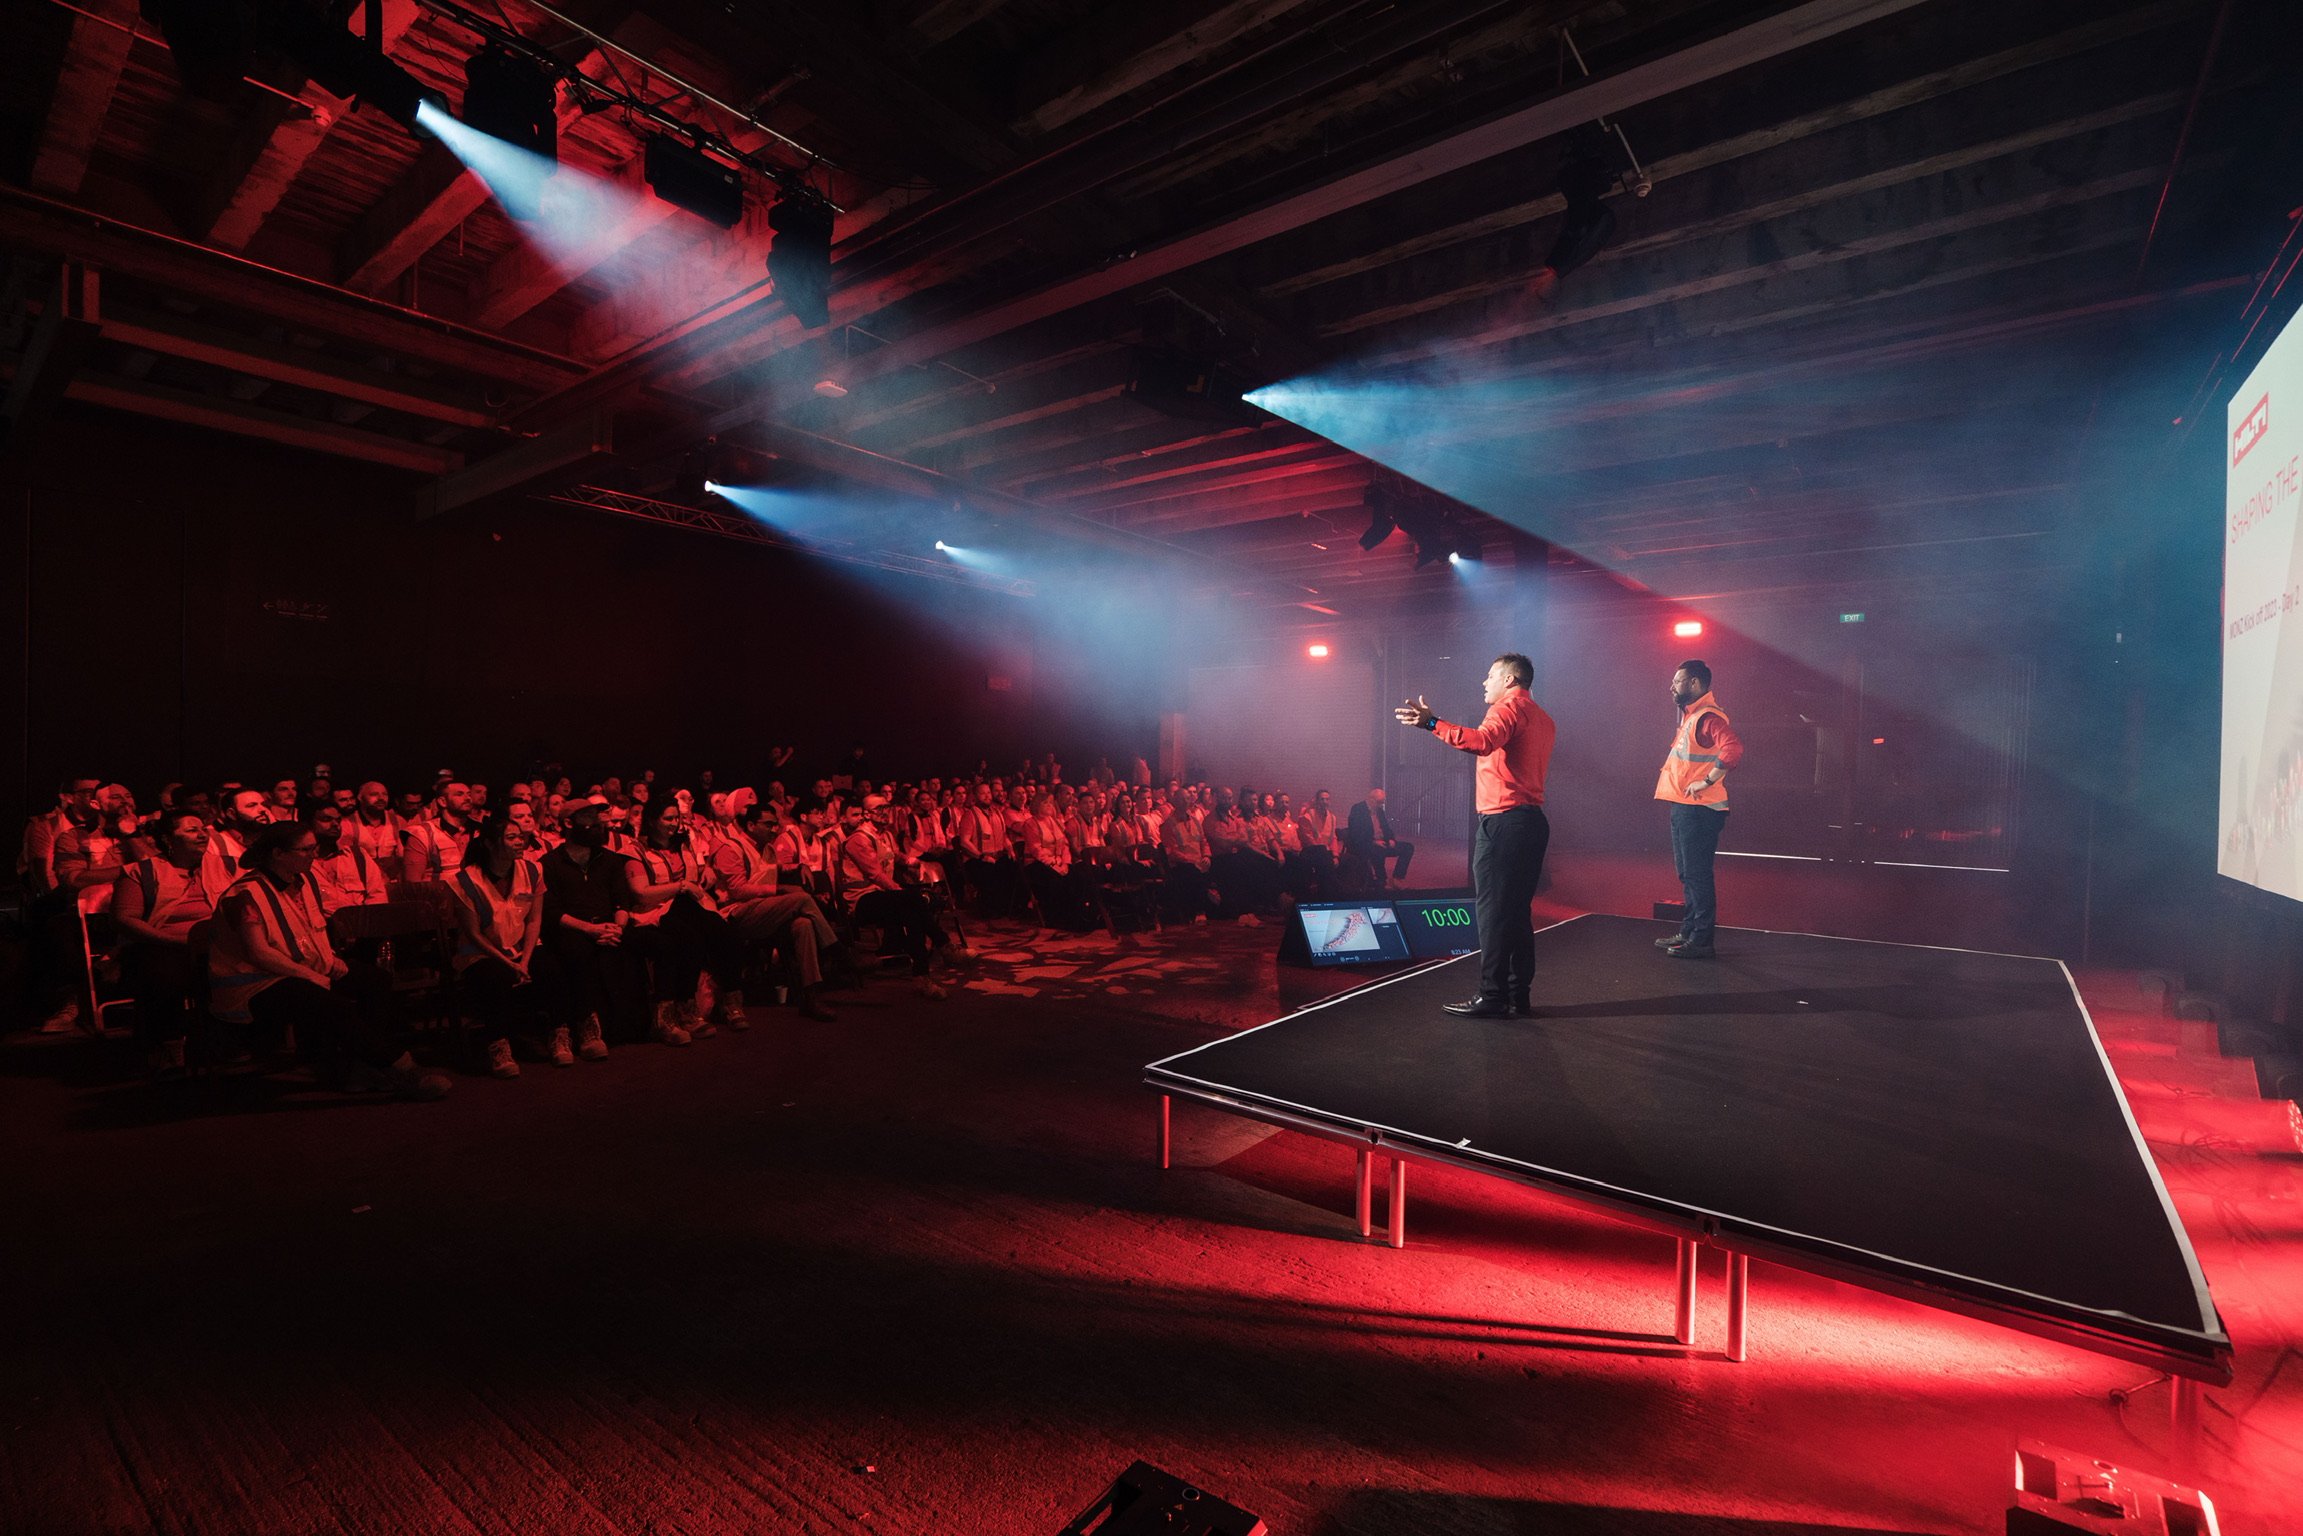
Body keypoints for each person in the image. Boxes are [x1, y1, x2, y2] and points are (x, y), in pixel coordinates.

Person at [207, 820, 451, 1099]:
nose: (314, 854)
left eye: (315, 847)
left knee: (374, 980)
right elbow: (258, 952)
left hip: (299, 968)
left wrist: (330, 962)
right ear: (278, 854)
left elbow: (312, 928)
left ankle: (363, 1065)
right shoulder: (245, 894)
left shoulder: (305, 880)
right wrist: (309, 974)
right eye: (306, 849)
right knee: (328, 1003)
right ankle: (399, 1066)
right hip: (255, 983)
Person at [1396, 652, 1557, 1019]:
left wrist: (1432, 723)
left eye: (1490, 676)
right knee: (1516, 913)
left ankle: (1492, 996)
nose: (1484, 682)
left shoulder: (1507, 709)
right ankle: (1518, 994)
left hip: (1503, 824)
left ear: (1510, 681)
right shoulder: (1544, 718)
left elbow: (1482, 742)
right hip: (1532, 823)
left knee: (1493, 914)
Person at [109, 808, 215, 1076]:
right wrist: (173, 940)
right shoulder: (141, 872)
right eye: (191, 830)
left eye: (203, 829)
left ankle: (232, 1041)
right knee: (165, 972)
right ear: (168, 839)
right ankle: (170, 1044)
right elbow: (125, 919)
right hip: (162, 944)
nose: (202, 834)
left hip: (214, 944)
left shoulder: (222, 867)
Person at [447, 816, 553, 1076]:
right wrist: (509, 963)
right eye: (511, 837)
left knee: (552, 967)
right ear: (490, 844)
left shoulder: (531, 870)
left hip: (520, 946)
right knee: (495, 977)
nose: (520, 842)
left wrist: (525, 960)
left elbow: (534, 919)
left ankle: (555, 1033)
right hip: (482, 952)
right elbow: (473, 934)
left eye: (520, 836)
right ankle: (499, 1044)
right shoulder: (465, 882)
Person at [1654, 658, 1743, 958]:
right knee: (1688, 874)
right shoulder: (1692, 717)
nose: (1672, 686)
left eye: (1677, 681)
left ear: (1694, 684)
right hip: (1685, 807)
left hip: (1699, 809)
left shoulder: (1707, 717)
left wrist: (1706, 781)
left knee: (1698, 875)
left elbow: (1733, 749)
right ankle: (1690, 932)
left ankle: (1702, 941)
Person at [537, 797, 630, 1058]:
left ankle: (637, 1021)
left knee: (637, 943)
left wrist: (617, 928)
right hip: (571, 929)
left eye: (598, 819)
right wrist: (589, 929)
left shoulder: (610, 860)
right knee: (577, 951)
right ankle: (581, 1026)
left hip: (607, 926)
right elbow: (552, 912)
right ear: (569, 823)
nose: (597, 825)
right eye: (588, 819)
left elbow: (622, 902)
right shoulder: (550, 863)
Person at [1344, 787, 1414, 890]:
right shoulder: (1357, 809)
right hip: (1365, 843)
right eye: (1380, 802)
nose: (1382, 804)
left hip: (1382, 841)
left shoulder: (1379, 810)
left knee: (1408, 848)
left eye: (1383, 802)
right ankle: (1382, 879)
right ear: (1371, 800)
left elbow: (1386, 828)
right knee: (1378, 851)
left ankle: (1397, 878)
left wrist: (1391, 839)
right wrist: (1373, 842)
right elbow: (1356, 833)